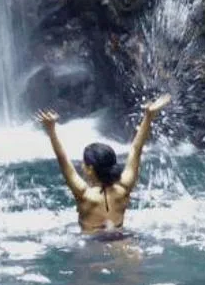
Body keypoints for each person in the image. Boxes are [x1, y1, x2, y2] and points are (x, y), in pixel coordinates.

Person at [36, 95, 171, 235]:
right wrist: (149, 116)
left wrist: (51, 130)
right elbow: (136, 149)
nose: (82, 166)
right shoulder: (124, 188)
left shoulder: (84, 194)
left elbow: (62, 158)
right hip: (120, 238)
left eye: (84, 163)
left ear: (90, 169)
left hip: (92, 244)